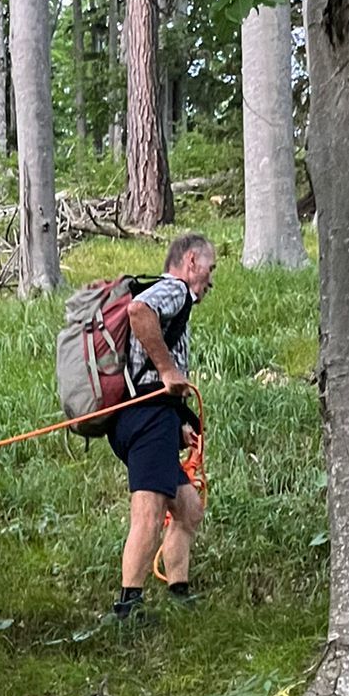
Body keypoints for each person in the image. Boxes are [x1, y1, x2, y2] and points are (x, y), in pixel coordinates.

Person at [109, 232, 216, 624]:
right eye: (209, 268)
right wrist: (169, 370)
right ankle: (128, 608)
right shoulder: (174, 289)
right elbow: (139, 311)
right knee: (149, 513)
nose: (210, 280)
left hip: (157, 418)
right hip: (146, 416)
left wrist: (180, 426)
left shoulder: (177, 299)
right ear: (191, 262)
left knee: (188, 510)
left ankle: (179, 592)